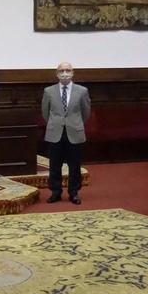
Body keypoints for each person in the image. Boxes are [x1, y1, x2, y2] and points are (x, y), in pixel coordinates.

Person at [41, 62, 91, 204]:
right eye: (61, 71)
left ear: (73, 72)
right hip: (55, 132)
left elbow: (86, 112)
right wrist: (55, 123)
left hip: (74, 132)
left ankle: (73, 192)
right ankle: (55, 192)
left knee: (74, 165)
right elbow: (45, 112)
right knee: (54, 164)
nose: (65, 73)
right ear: (57, 74)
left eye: (68, 70)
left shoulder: (82, 91)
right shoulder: (48, 91)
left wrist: (75, 123)